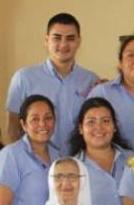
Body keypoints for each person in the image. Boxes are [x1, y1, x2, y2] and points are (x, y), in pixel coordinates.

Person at [5, 13, 99, 149]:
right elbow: (13, 127)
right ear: (46, 40)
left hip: (78, 162)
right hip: (37, 162)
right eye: (57, 38)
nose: (63, 44)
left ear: (78, 42)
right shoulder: (24, 78)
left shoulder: (90, 80)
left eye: (70, 38)